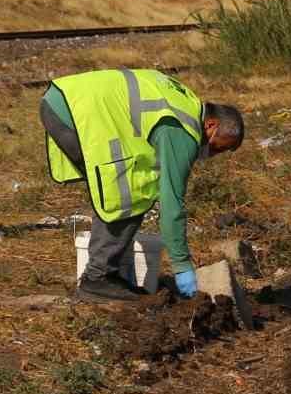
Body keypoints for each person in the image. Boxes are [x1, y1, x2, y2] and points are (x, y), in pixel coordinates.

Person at [40, 68, 244, 302]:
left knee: (122, 188)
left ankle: (106, 274)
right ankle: (97, 279)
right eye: (217, 147)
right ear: (210, 125)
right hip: (71, 112)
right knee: (130, 194)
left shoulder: (187, 102)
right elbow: (171, 203)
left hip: (63, 99)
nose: (212, 154)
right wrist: (181, 265)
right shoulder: (183, 132)